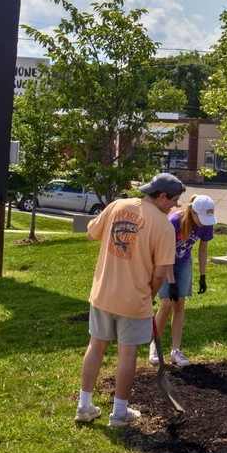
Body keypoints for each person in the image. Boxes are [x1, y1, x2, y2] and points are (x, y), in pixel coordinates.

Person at [74, 172, 184, 427]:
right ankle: (119, 413)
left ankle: (83, 406)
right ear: (162, 196)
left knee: (96, 346)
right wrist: (150, 296)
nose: (176, 205)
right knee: (128, 354)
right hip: (134, 302)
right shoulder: (164, 227)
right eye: (174, 200)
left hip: (103, 294)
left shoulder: (117, 205)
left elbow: (91, 233)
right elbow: (159, 273)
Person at [151, 193, 217, 368]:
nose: (204, 222)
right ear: (193, 212)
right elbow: (166, 255)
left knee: (180, 303)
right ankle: (155, 346)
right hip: (164, 261)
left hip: (184, 261)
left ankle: (176, 350)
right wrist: (171, 282)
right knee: (166, 303)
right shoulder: (174, 222)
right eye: (202, 217)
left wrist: (203, 276)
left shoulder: (206, 223)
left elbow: (203, 250)